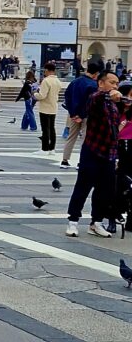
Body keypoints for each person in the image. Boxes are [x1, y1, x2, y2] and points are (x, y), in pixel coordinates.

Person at [65, 71, 122, 239]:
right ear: (101, 83)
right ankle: (73, 221)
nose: (115, 85)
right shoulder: (95, 98)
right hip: (92, 150)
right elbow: (97, 98)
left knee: (105, 190)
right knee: (83, 187)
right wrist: (109, 94)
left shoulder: (114, 104)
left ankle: (96, 222)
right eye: (112, 82)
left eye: (117, 83)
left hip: (109, 153)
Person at [60, 60, 102, 169]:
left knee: (71, 137)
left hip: (73, 115)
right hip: (86, 115)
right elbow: (89, 103)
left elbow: (67, 97)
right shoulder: (93, 85)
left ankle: (64, 160)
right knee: (85, 139)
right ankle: (81, 162)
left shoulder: (75, 82)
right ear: (96, 73)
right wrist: (82, 115)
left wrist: (73, 114)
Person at [35, 61, 62, 152]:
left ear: (47, 70)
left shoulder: (46, 81)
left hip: (45, 108)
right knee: (52, 128)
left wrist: (35, 94)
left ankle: (44, 148)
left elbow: (42, 95)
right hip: (53, 107)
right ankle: (52, 148)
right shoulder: (57, 81)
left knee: (45, 129)